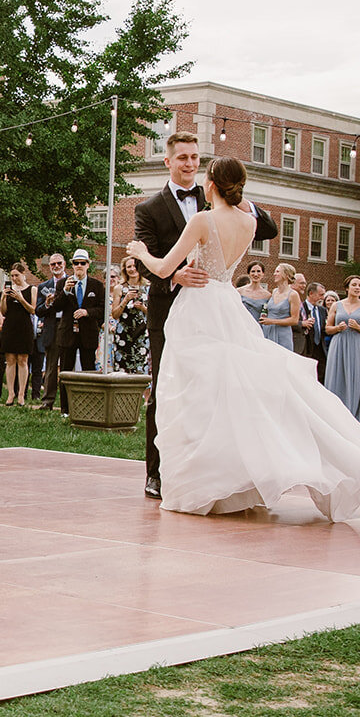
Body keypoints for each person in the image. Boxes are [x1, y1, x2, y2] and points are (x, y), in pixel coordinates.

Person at [126, 156, 360, 520]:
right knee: (230, 394)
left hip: (198, 309)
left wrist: (139, 251)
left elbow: (163, 268)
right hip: (227, 302)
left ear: (211, 184)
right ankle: (232, 482)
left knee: (197, 397)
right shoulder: (248, 221)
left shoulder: (202, 220)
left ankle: (206, 483)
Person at [133, 131, 279, 501]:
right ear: (168, 161)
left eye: (195, 158)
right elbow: (152, 266)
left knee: (215, 389)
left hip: (212, 311)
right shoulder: (147, 209)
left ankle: (210, 471)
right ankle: (158, 473)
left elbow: (270, 229)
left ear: (205, 170)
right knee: (167, 389)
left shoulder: (212, 202)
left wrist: (239, 198)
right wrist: (176, 276)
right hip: (170, 309)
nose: (189, 164)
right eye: (182, 157)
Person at [323, 275, 360, 428]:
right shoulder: (336, 306)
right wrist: (337, 328)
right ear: (347, 288)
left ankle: (356, 414)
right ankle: (336, 414)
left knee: (356, 376)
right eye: (354, 285)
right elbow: (327, 328)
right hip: (339, 344)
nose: (357, 288)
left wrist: (359, 328)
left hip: (357, 345)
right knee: (337, 375)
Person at [52, 250, 106, 387]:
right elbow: (56, 307)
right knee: (65, 371)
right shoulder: (63, 283)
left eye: (83, 263)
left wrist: (87, 312)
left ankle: (89, 402)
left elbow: (102, 310)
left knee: (88, 370)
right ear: (72, 265)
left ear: (88, 265)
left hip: (88, 334)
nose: (79, 266)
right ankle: (65, 407)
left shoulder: (97, 286)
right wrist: (65, 291)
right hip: (67, 333)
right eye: (76, 263)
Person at [0, 262, 36, 406]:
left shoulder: (32, 289)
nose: (14, 278)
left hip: (24, 326)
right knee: (10, 360)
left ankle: (21, 394)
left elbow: (32, 310)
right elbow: (3, 312)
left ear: (23, 274)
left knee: (23, 360)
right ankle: (11, 393)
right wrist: (3, 298)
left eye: (17, 275)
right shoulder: (7, 290)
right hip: (10, 326)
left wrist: (20, 299)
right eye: (12, 275)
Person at [34, 252, 68, 410]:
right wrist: (47, 304)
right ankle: (48, 401)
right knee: (51, 366)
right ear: (49, 267)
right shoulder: (44, 286)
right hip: (52, 326)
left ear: (64, 264)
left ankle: (67, 404)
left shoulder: (73, 282)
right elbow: (38, 311)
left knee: (69, 366)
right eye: (53, 264)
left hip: (68, 325)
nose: (56, 266)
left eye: (59, 263)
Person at [108, 255, 150, 374]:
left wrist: (142, 307)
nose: (132, 269)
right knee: (123, 369)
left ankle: (142, 393)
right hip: (124, 335)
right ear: (125, 270)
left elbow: (152, 313)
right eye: (129, 267)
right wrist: (125, 300)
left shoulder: (147, 287)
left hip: (141, 334)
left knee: (141, 369)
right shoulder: (119, 288)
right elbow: (115, 314)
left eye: (134, 266)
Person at [259, 264, 299, 350]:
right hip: (268, 331)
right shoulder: (274, 291)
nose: (274, 274)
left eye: (277, 271)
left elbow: (294, 320)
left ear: (286, 275)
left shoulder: (293, 295)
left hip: (282, 334)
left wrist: (272, 321)